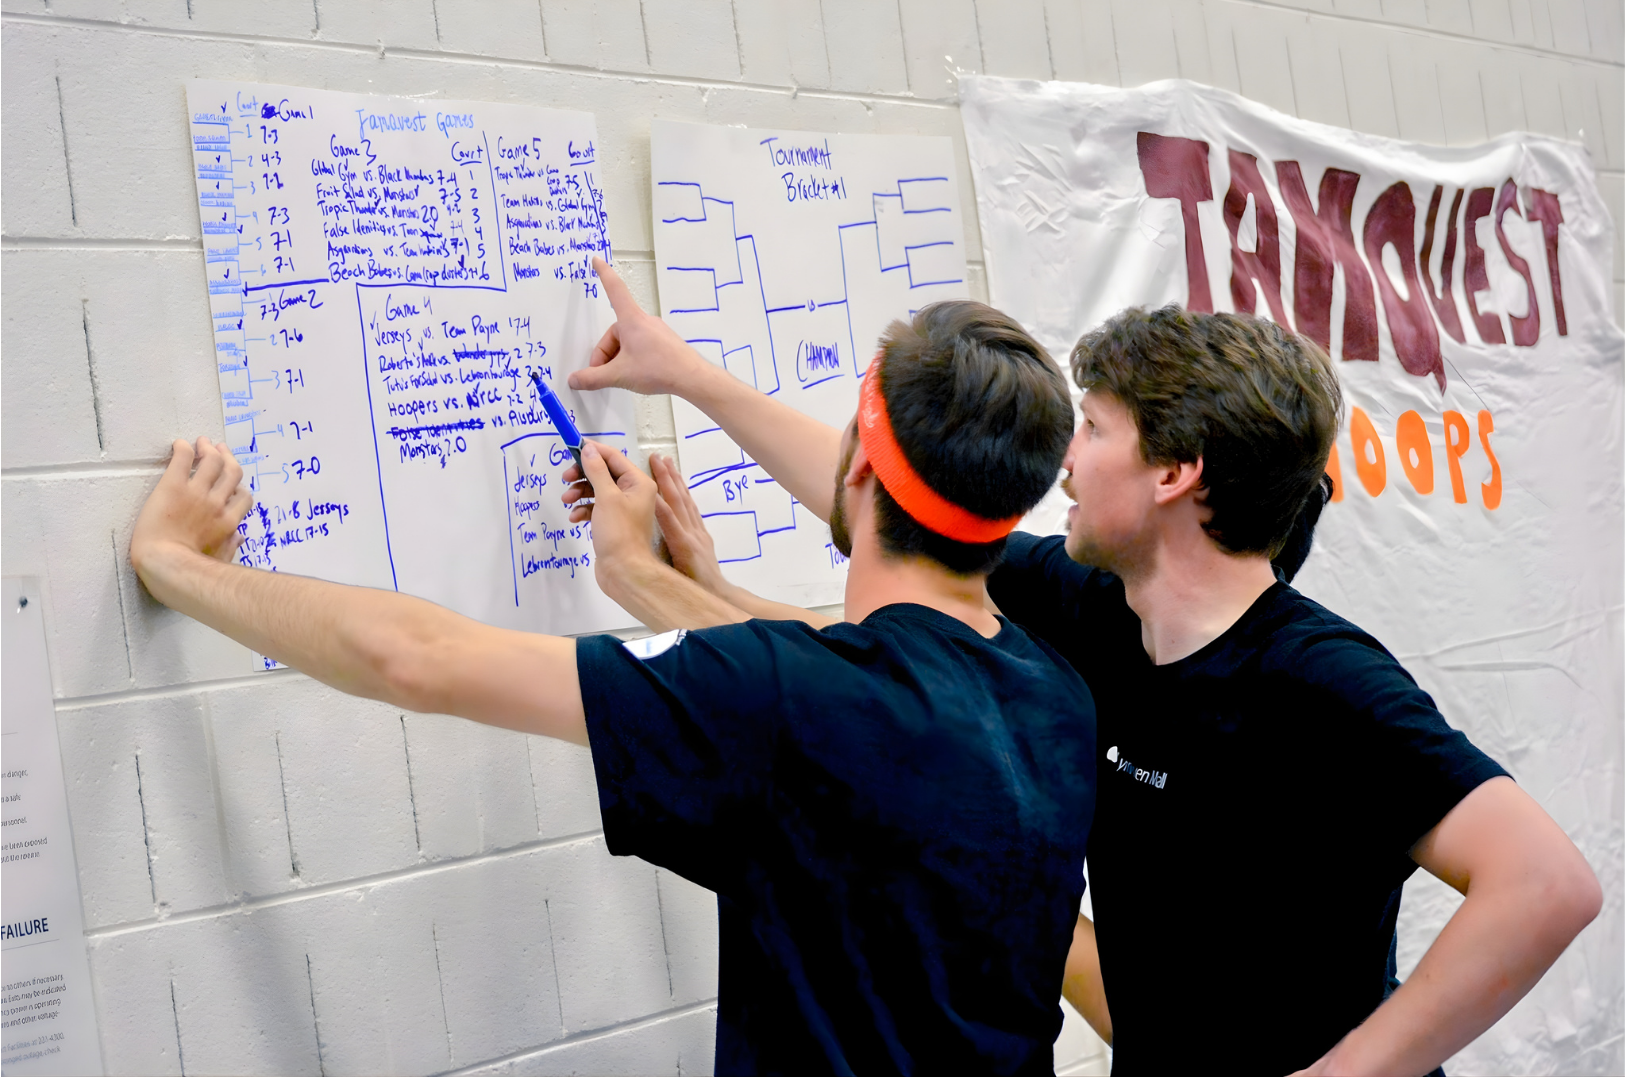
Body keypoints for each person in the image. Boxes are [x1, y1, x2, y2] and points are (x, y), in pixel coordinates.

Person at [569, 271, 1603, 1075]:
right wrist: (687, 381)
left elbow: (1545, 885)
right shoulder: (1092, 611)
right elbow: (899, 492)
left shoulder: (1319, 682)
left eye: (1094, 429)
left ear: (1172, 474)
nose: (1066, 459)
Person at [130, 292, 1096, 1075]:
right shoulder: (1051, 695)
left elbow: (415, 659)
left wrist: (178, 564)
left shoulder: (789, 695)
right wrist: (670, 583)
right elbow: (853, 672)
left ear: (857, 470)